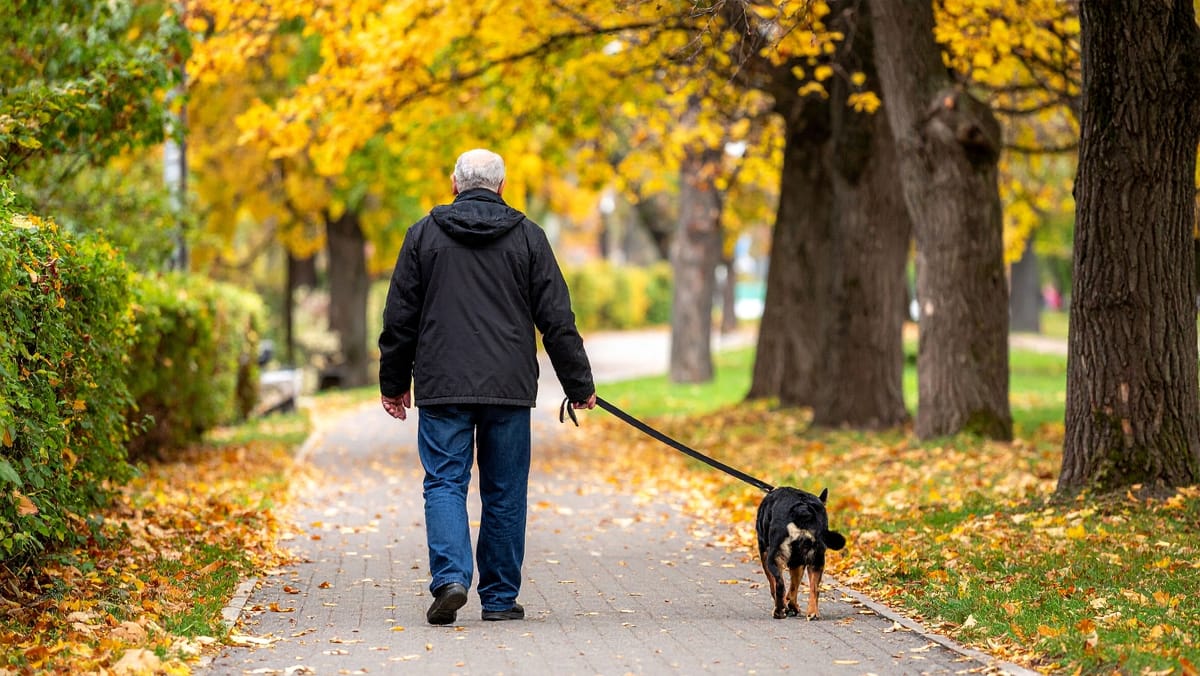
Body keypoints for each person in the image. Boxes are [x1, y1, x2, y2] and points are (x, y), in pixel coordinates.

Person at [378, 148, 596, 626]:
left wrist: (393, 384)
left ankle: (452, 579)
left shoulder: (423, 236)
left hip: (443, 387)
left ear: (454, 184)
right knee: (505, 490)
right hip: (509, 388)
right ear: (501, 186)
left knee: (444, 482)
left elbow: (399, 319)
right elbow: (557, 319)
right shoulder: (529, 238)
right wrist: (578, 383)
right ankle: (498, 599)